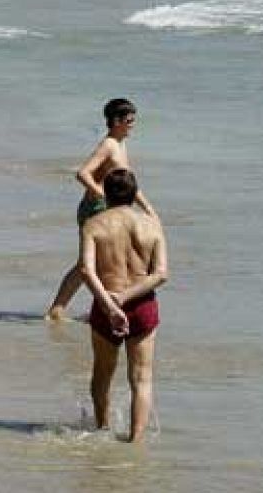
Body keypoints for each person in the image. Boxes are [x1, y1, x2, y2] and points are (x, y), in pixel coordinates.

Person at [79, 168, 168, 443]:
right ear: (134, 194)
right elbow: (161, 274)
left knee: (102, 374)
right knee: (141, 378)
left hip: (106, 304)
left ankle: (102, 429)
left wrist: (111, 303)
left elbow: (85, 271)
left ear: (105, 193)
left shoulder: (93, 224)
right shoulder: (152, 225)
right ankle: (136, 441)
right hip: (142, 305)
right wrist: (127, 298)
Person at [48, 97, 153, 319]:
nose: (133, 125)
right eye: (130, 120)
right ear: (116, 121)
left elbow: (128, 182)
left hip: (108, 209)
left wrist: (149, 209)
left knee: (99, 262)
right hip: (95, 209)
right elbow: (82, 173)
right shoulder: (108, 145)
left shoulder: (121, 145)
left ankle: (67, 309)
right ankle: (61, 310)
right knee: (90, 264)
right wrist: (102, 196)